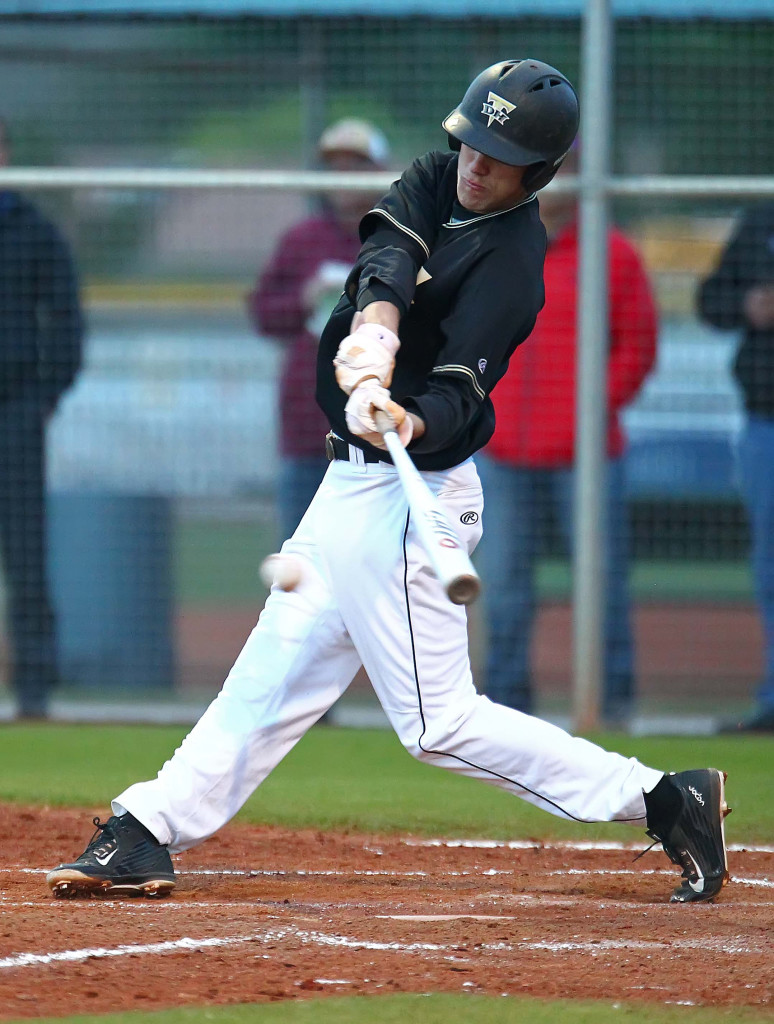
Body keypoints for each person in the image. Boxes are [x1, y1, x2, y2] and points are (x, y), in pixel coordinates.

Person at [47, 59, 729, 906]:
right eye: (473, 142)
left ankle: (665, 799)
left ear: (539, 172)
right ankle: (149, 827)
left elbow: (459, 392)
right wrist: (374, 334)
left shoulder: (516, 265)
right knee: (277, 663)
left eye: (498, 154)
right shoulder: (442, 170)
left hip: (416, 498)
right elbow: (391, 246)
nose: (475, 163)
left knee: (439, 725)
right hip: (347, 491)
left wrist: (405, 419)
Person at [476, 145, 657, 726]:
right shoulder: (492, 246)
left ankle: (611, 700)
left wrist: (591, 406)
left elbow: (638, 345)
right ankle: (503, 707)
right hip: (502, 448)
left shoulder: (614, 254)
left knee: (601, 578)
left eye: (566, 170)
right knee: (502, 582)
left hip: (586, 453)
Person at [247, 118, 391, 544]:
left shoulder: (401, 239)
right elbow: (263, 313)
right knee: (302, 565)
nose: (344, 177)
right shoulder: (303, 239)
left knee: (376, 564)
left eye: (357, 165)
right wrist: (303, 301)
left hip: (379, 432)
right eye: (335, 166)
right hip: (309, 430)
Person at [0, 119, 84, 720]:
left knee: (26, 552)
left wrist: (43, 392)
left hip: (14, 411)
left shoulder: (31, 229)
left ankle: (34, 690)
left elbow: (66, 318)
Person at [697, 203, 774, 733]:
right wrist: (749, 304)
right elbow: (712, 300)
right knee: (770, 567)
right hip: (765, 421)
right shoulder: (761, 219)